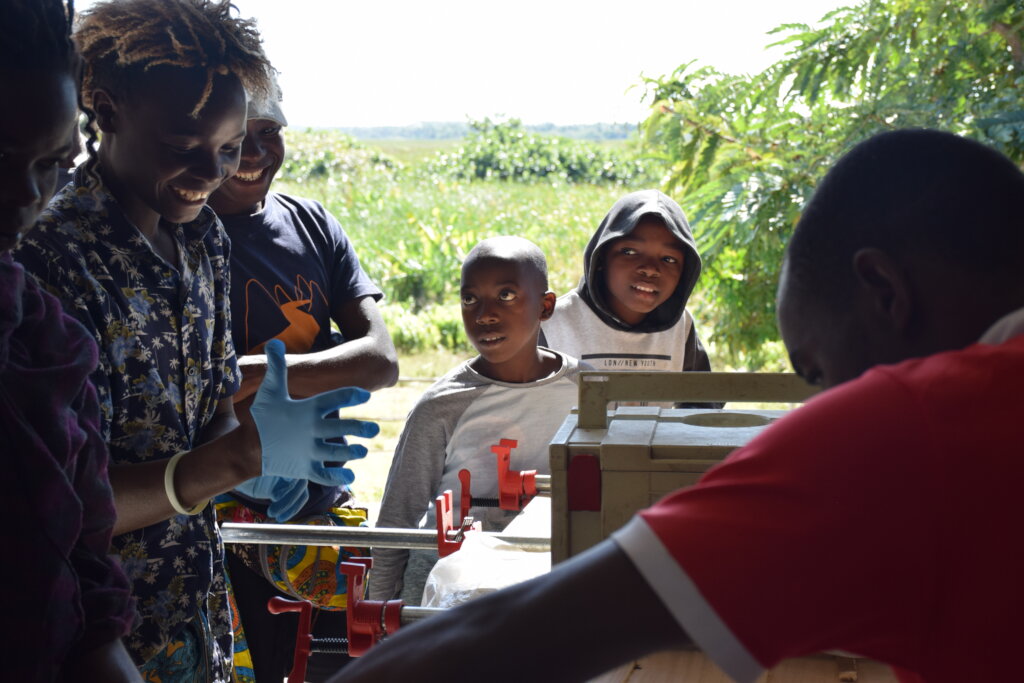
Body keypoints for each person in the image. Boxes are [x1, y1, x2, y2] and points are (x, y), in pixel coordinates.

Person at [329, 128, 1024, 683]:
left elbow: (509, 636)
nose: (825, 397)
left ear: (884, 292)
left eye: (816, 369)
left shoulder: (908, 432)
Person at [15, 2, 378, 680]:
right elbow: (59, 504)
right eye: (184, 147)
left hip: (198, 611)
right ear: (107, 109)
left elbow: (207, 414)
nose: (210, 172)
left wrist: (263, 453)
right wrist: (232, 459)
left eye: (230, 148)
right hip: (96, 636)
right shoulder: (50, 259)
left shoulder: (202, 238)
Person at [208, 81, 398, 682]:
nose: (257, 154)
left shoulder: (311, 225)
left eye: (270, 134)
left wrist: (256, 378)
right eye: (238, 139)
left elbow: (380, 358)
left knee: (323, 664)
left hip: (311, 505)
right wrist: (276, 402)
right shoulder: (180, 235)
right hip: (215, 510)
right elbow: (174, 389)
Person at [1, 1, 138, 680]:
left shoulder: (46, 345)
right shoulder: (70, 257)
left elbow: (87, 602)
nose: (25, 193)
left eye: (53, 162)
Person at [367, 236, 586, 604]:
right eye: (470, 299)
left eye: (506, 295)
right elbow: (398, 517)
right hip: (449, 597)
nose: (484, 314)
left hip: (553, 591)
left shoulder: (587, 392)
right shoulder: (441, 406)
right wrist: (380, 612)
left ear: (546, 306)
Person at [540, 188, 713, 380]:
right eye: (630, 252)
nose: (650, 269)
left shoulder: (681, 327)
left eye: (668, 259)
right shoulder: (553, 323)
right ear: (601, 259)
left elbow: (702, 399)